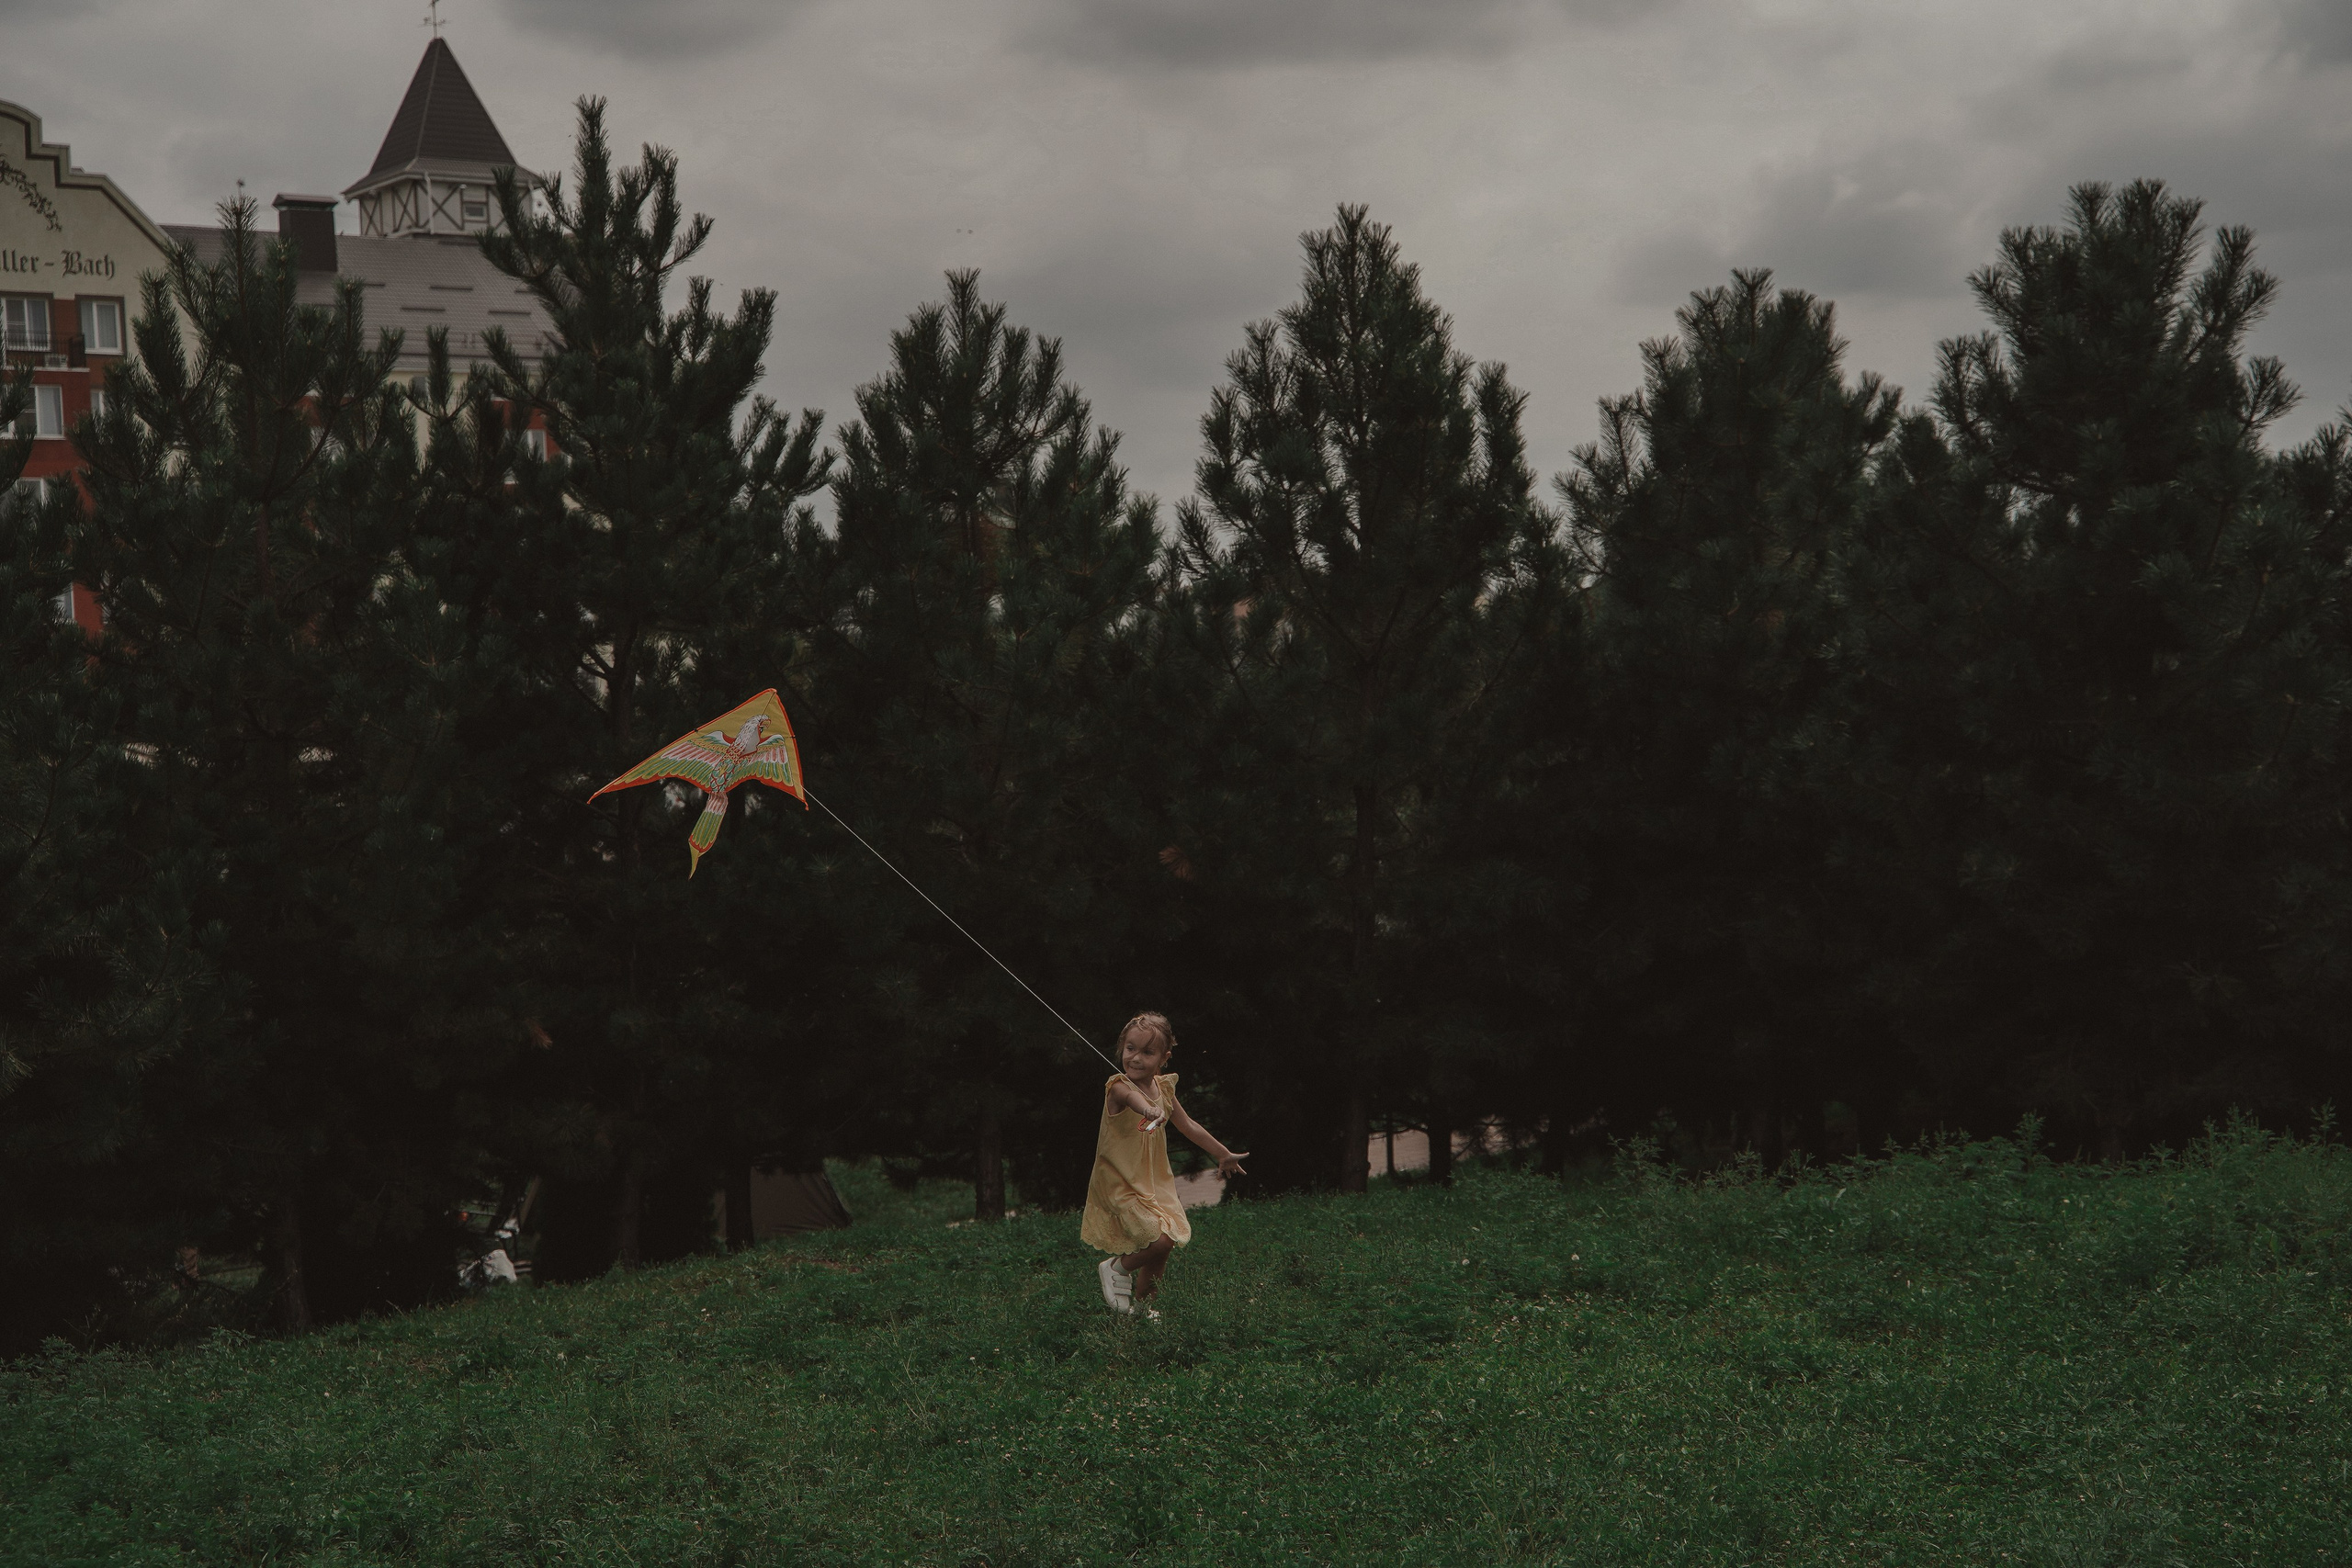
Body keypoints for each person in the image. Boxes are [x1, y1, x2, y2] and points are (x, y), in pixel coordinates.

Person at [1080, 1011, 1248, 1316]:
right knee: (1157, 1241)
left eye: (1148, 1052)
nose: (1136, 1058)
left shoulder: (1164, 1089)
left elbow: (1188, 1126)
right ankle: (1116, 1268)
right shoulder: (1118, 1086)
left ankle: (1146, 1309)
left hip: (1154, 1182)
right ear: (1122, 1048)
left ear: (1164, 1058)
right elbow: (1134, 1101)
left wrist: (1222, 1153)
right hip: (1120, 1179)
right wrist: (1148, 1110)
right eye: (1131, 1048)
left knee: (1165, 1245)